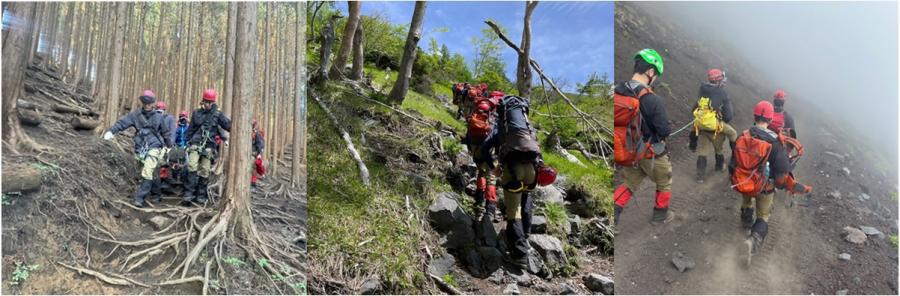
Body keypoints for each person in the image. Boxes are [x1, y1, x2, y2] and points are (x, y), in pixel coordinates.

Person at [480, 94, 556, 269]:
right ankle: (525, 235)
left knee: (514, 211)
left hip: (513, 171)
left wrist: (493, 167)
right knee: (526, 199)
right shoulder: (528, 130)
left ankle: (519, 254)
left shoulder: (502, 129)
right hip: (532, 171)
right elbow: (537, 152)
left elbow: (485, 148)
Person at [730, 100, 811, 259]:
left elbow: (733, 161)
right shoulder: (775, 143)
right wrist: (780, 185)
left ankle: (745, 220)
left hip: (745, 181)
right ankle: (752, 241)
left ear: (754, 116)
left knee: (747, 199)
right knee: (763, 216)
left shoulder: (743, 135)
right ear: (770, 119)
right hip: (764, 186)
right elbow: (781, 176)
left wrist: (735, 177)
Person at [612, 48, 674, 227]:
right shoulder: (651, 99)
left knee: (629, 183)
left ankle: (613, 218)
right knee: (665, 181)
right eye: (656, 74)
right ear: (651, 71)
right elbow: (664, 130)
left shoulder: (617, 90)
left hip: (626, 149)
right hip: (649, 152)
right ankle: (660, 215)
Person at [103, 90, 173, 207]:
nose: (146, 106)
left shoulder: (158, 117)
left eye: (149, 103)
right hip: (140, 147)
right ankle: (156, 194)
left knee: (147, 170)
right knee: (148, 172)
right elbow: (122, 123)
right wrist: (111, 131)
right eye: (144, 103)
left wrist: (169, 146)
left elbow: (165, 133)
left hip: (154, 146)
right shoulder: (135, 115)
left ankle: (139, 198)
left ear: (153, 104)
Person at [182, 89, 232, 205]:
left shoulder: (217, 115)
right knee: (192, 165)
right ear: (203, 101)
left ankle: (201, 195)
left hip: (209, 146)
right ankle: (189, 193)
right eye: (206, 102)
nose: (208, 104)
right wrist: (186, 142)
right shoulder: (196, 113)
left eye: (211, 102)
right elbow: (191, 129)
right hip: (195, 143)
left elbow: (227, 125)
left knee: (205, 169)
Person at [689, 68, 737, 183]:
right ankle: (734, 158)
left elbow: (695, 107)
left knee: (703, 151)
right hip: (715, 125)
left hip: (701, 125)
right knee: (732, 134)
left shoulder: (702, 89)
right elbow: (728, 115)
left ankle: (700, 176)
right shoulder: (722, 93)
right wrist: (723, 120)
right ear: (718, 80)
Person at [464, 91, 502, 218]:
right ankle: (490, 209)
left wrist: (470, 147)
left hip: (475, 146)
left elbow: (468, 131)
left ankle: (479, 199)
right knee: (491, 177)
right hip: (489, 149)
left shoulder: (479, 109)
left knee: (481, 172)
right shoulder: (495, 114)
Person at [151, 101, 177, 199]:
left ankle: (165, 186)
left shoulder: (169, 118)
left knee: (165, 166)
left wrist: (170, 145)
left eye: (161, 110)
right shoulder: (153, 118)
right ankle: (156, 191)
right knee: (156, 167)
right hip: (155, 145)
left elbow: (172, 131)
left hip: (165, 145)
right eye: (158, 109)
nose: (159, 111)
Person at [251, 119, 266, 186]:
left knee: (253, 167)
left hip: (254, 153)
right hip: (251, 152)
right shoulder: (251, 132)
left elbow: (260, 144)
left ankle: (253, 182)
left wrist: (259, 153)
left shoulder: (257, 133)